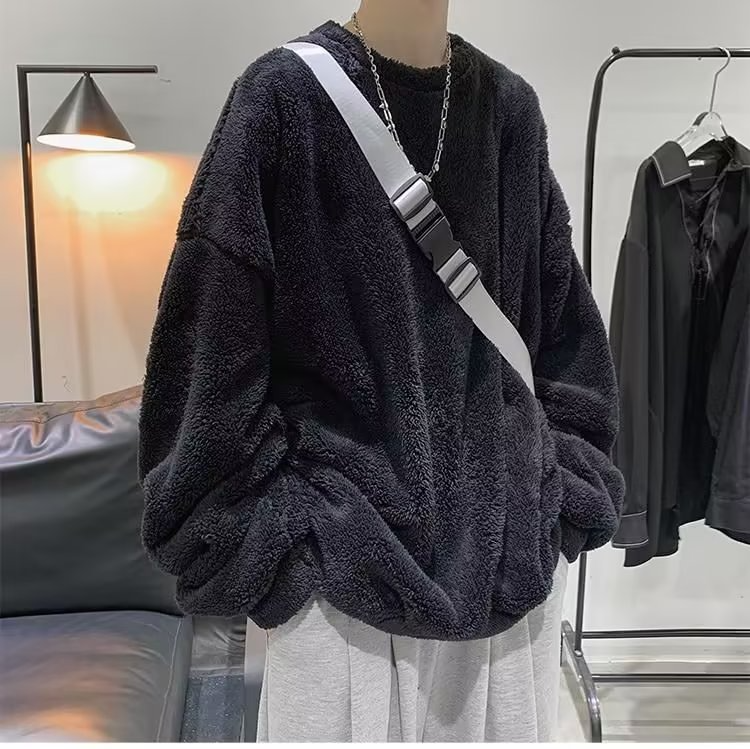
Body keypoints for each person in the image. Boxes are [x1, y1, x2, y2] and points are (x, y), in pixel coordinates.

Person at [138, 0, 625, 741]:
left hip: (511, 585)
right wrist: (280, 553)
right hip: (342, 601)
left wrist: (559, 500)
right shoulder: (282, 99)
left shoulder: (509, 110)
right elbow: (207, 360)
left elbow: (566, 340)